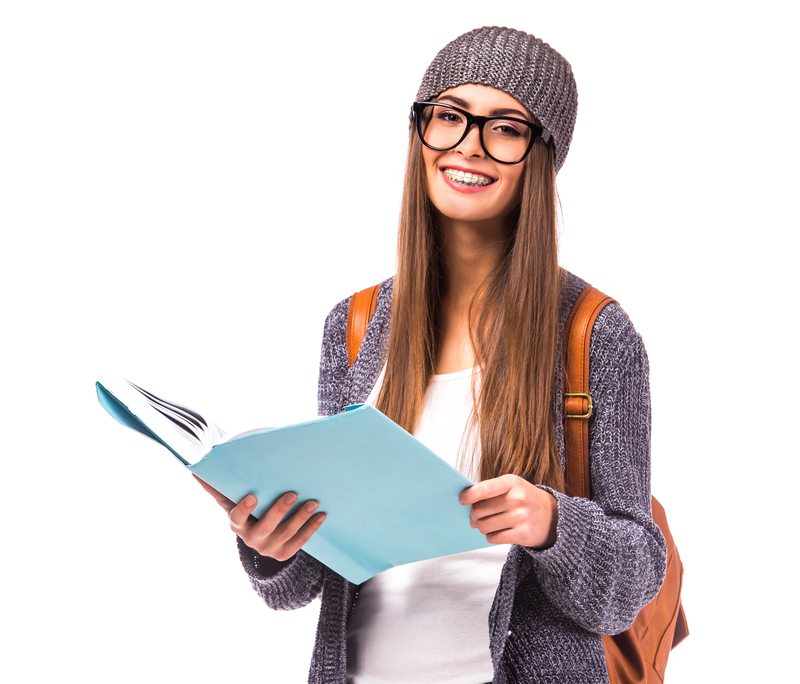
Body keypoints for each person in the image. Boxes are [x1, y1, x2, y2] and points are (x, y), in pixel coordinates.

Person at [197, 26, 668, 684]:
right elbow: (304, 583)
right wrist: (270, 545)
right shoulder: (356, 326)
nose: (468, 146)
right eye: (448, 117)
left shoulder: (593, 333)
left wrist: (552, 522)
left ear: (542, 154)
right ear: (420, 134)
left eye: (504, 127)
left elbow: (630, 585)